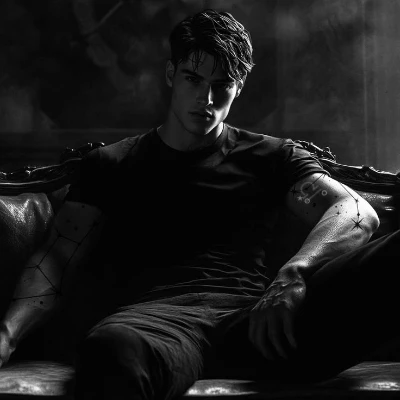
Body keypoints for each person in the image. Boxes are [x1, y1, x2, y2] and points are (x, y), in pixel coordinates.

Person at [0, 8, 399, 400]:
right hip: (154, 327)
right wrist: (6, 336)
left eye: (221, 84)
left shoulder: (271, 156)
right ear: (171, 74)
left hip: (258, 324)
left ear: (239, 87)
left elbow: (356, 211)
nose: (205, 98)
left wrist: (294, 273)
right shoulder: (111, 164)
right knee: (110, 350)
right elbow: (55, 260)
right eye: (193, 78)